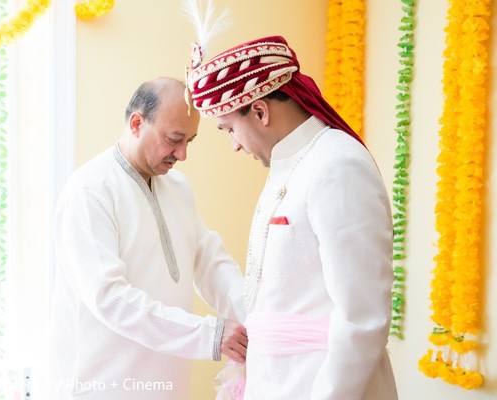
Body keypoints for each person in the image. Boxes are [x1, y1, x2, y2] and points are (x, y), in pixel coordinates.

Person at [186, 36, 398, 399]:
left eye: (229, 129)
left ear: (260, 111)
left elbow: (362, 318)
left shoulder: (337, 166)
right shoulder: (291, 166)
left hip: (319, 385)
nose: (234, 144)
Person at [48, 76, 247, 400]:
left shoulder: (178, 188)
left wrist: (257, 314)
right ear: (137, 123)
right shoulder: (89, 191)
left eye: (189, 142)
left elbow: (211, 262)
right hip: (100, 389)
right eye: (174, 139)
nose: (182, 154)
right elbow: (109, 297)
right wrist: (207, 334)